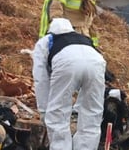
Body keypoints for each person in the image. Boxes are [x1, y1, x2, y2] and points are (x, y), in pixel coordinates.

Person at [32, 18, 107, 150]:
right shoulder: (84, 39)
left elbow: (41, 79)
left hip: (65, 63)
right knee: (92, 112)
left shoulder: (45, 41)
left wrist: (44, 110)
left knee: (58, 113)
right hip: (97, 63)